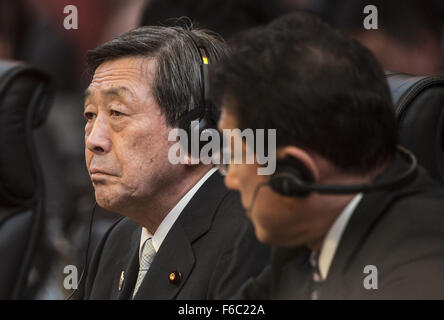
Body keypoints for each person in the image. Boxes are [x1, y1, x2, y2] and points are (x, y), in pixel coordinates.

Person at [212, 12, 444, 299]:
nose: (231, 179)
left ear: (295, 172)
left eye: (235, 155)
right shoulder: (306, 239)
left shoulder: (419, 263)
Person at [77, 25, 269, 299]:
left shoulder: (250, 240)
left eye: (117, 112)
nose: (94, 140)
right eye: (90, 115)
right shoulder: (117, 240)